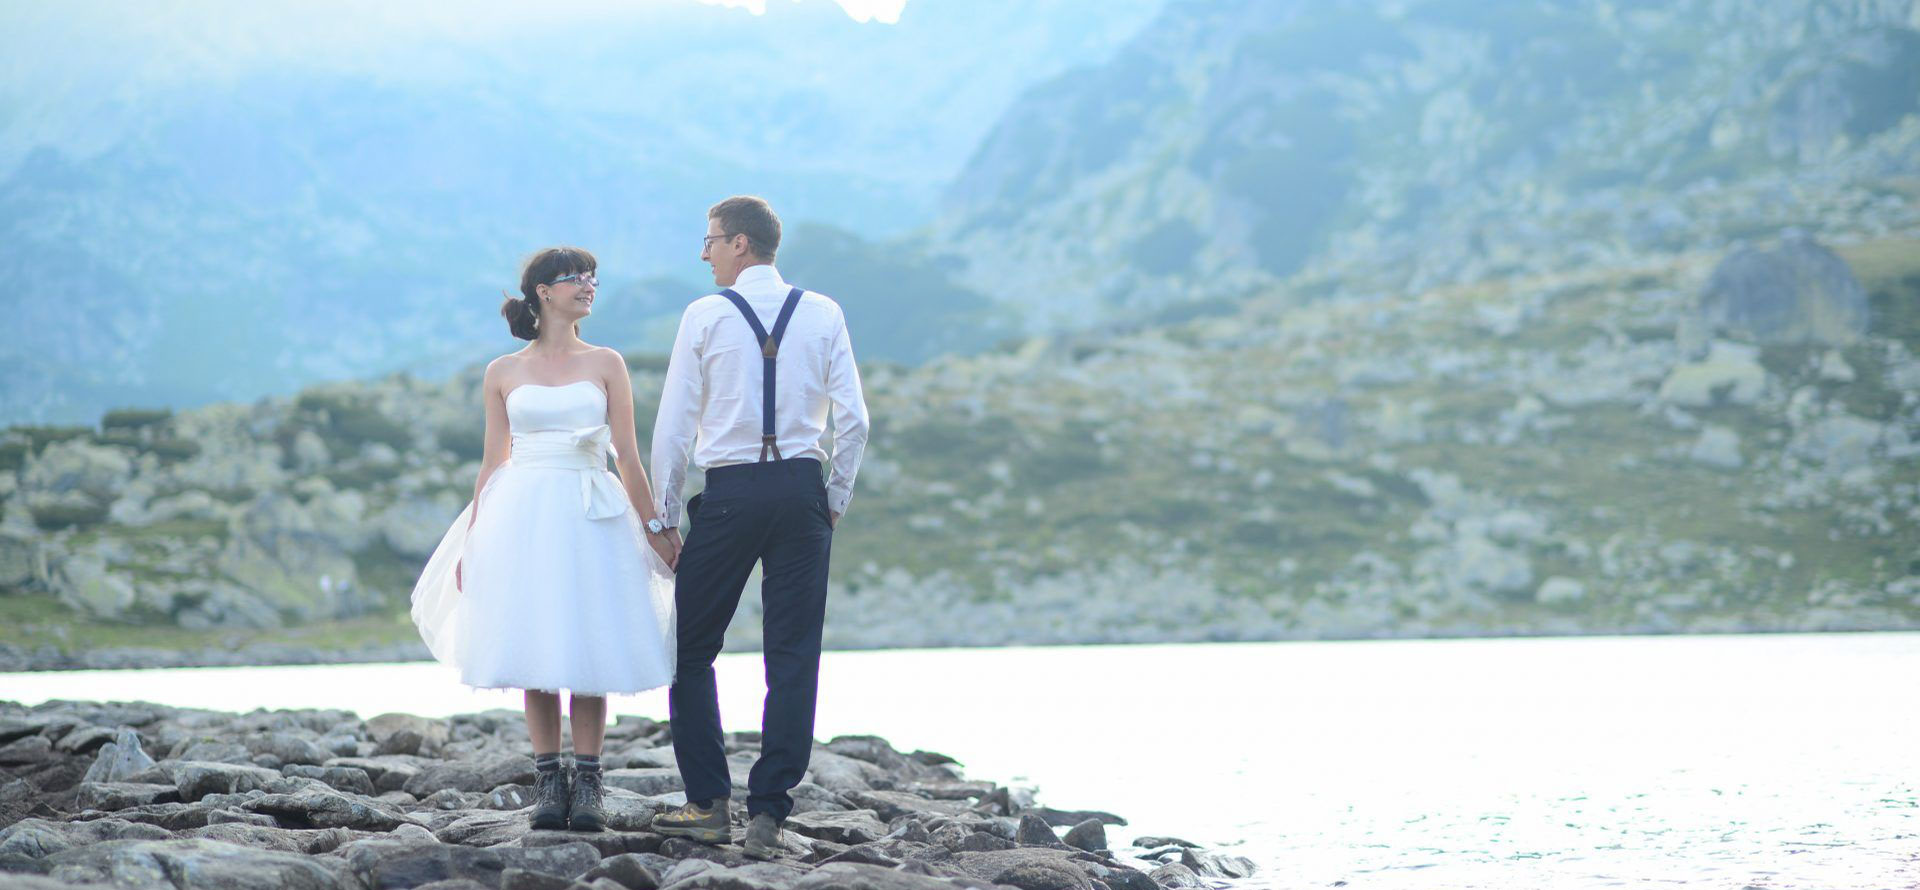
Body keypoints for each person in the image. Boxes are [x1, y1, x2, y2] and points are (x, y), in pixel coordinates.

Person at [409, 246, 682, 833]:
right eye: (574, 278)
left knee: (590, 639)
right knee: (533, 638)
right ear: (543, 291)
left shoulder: (607, 361)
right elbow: (491, 462)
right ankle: (547, 782)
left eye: (592, 277)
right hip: (521, 510)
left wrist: (657, 527)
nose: (588, 285)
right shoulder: (502, 371)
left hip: (591, 508)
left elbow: (628, 457)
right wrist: (472, 538)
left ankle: (589, 784)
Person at [648, 196, 869, 859]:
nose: (704, 252)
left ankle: (709, 804)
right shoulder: (824, 311)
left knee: (687, 648)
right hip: (802, 490)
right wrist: (832, 498)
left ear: (741, 245)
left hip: (732, 492)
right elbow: (854, 420)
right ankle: (770, 810)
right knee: (793, 653)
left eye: (711, 240)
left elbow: (675, 422)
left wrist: (662, 512)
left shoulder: (706, 315)